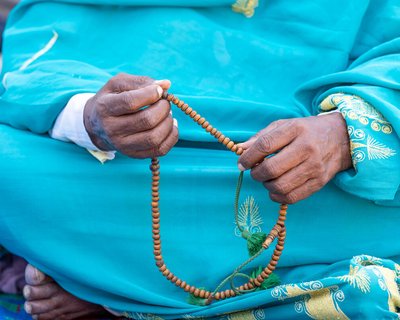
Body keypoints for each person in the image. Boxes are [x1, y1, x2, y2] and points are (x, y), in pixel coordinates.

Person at [0, 0, 399, 319]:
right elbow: (30, 73)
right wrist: (90, 118)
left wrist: (345, 134)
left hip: (324, 176)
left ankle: (106, 286)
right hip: (116, 172)